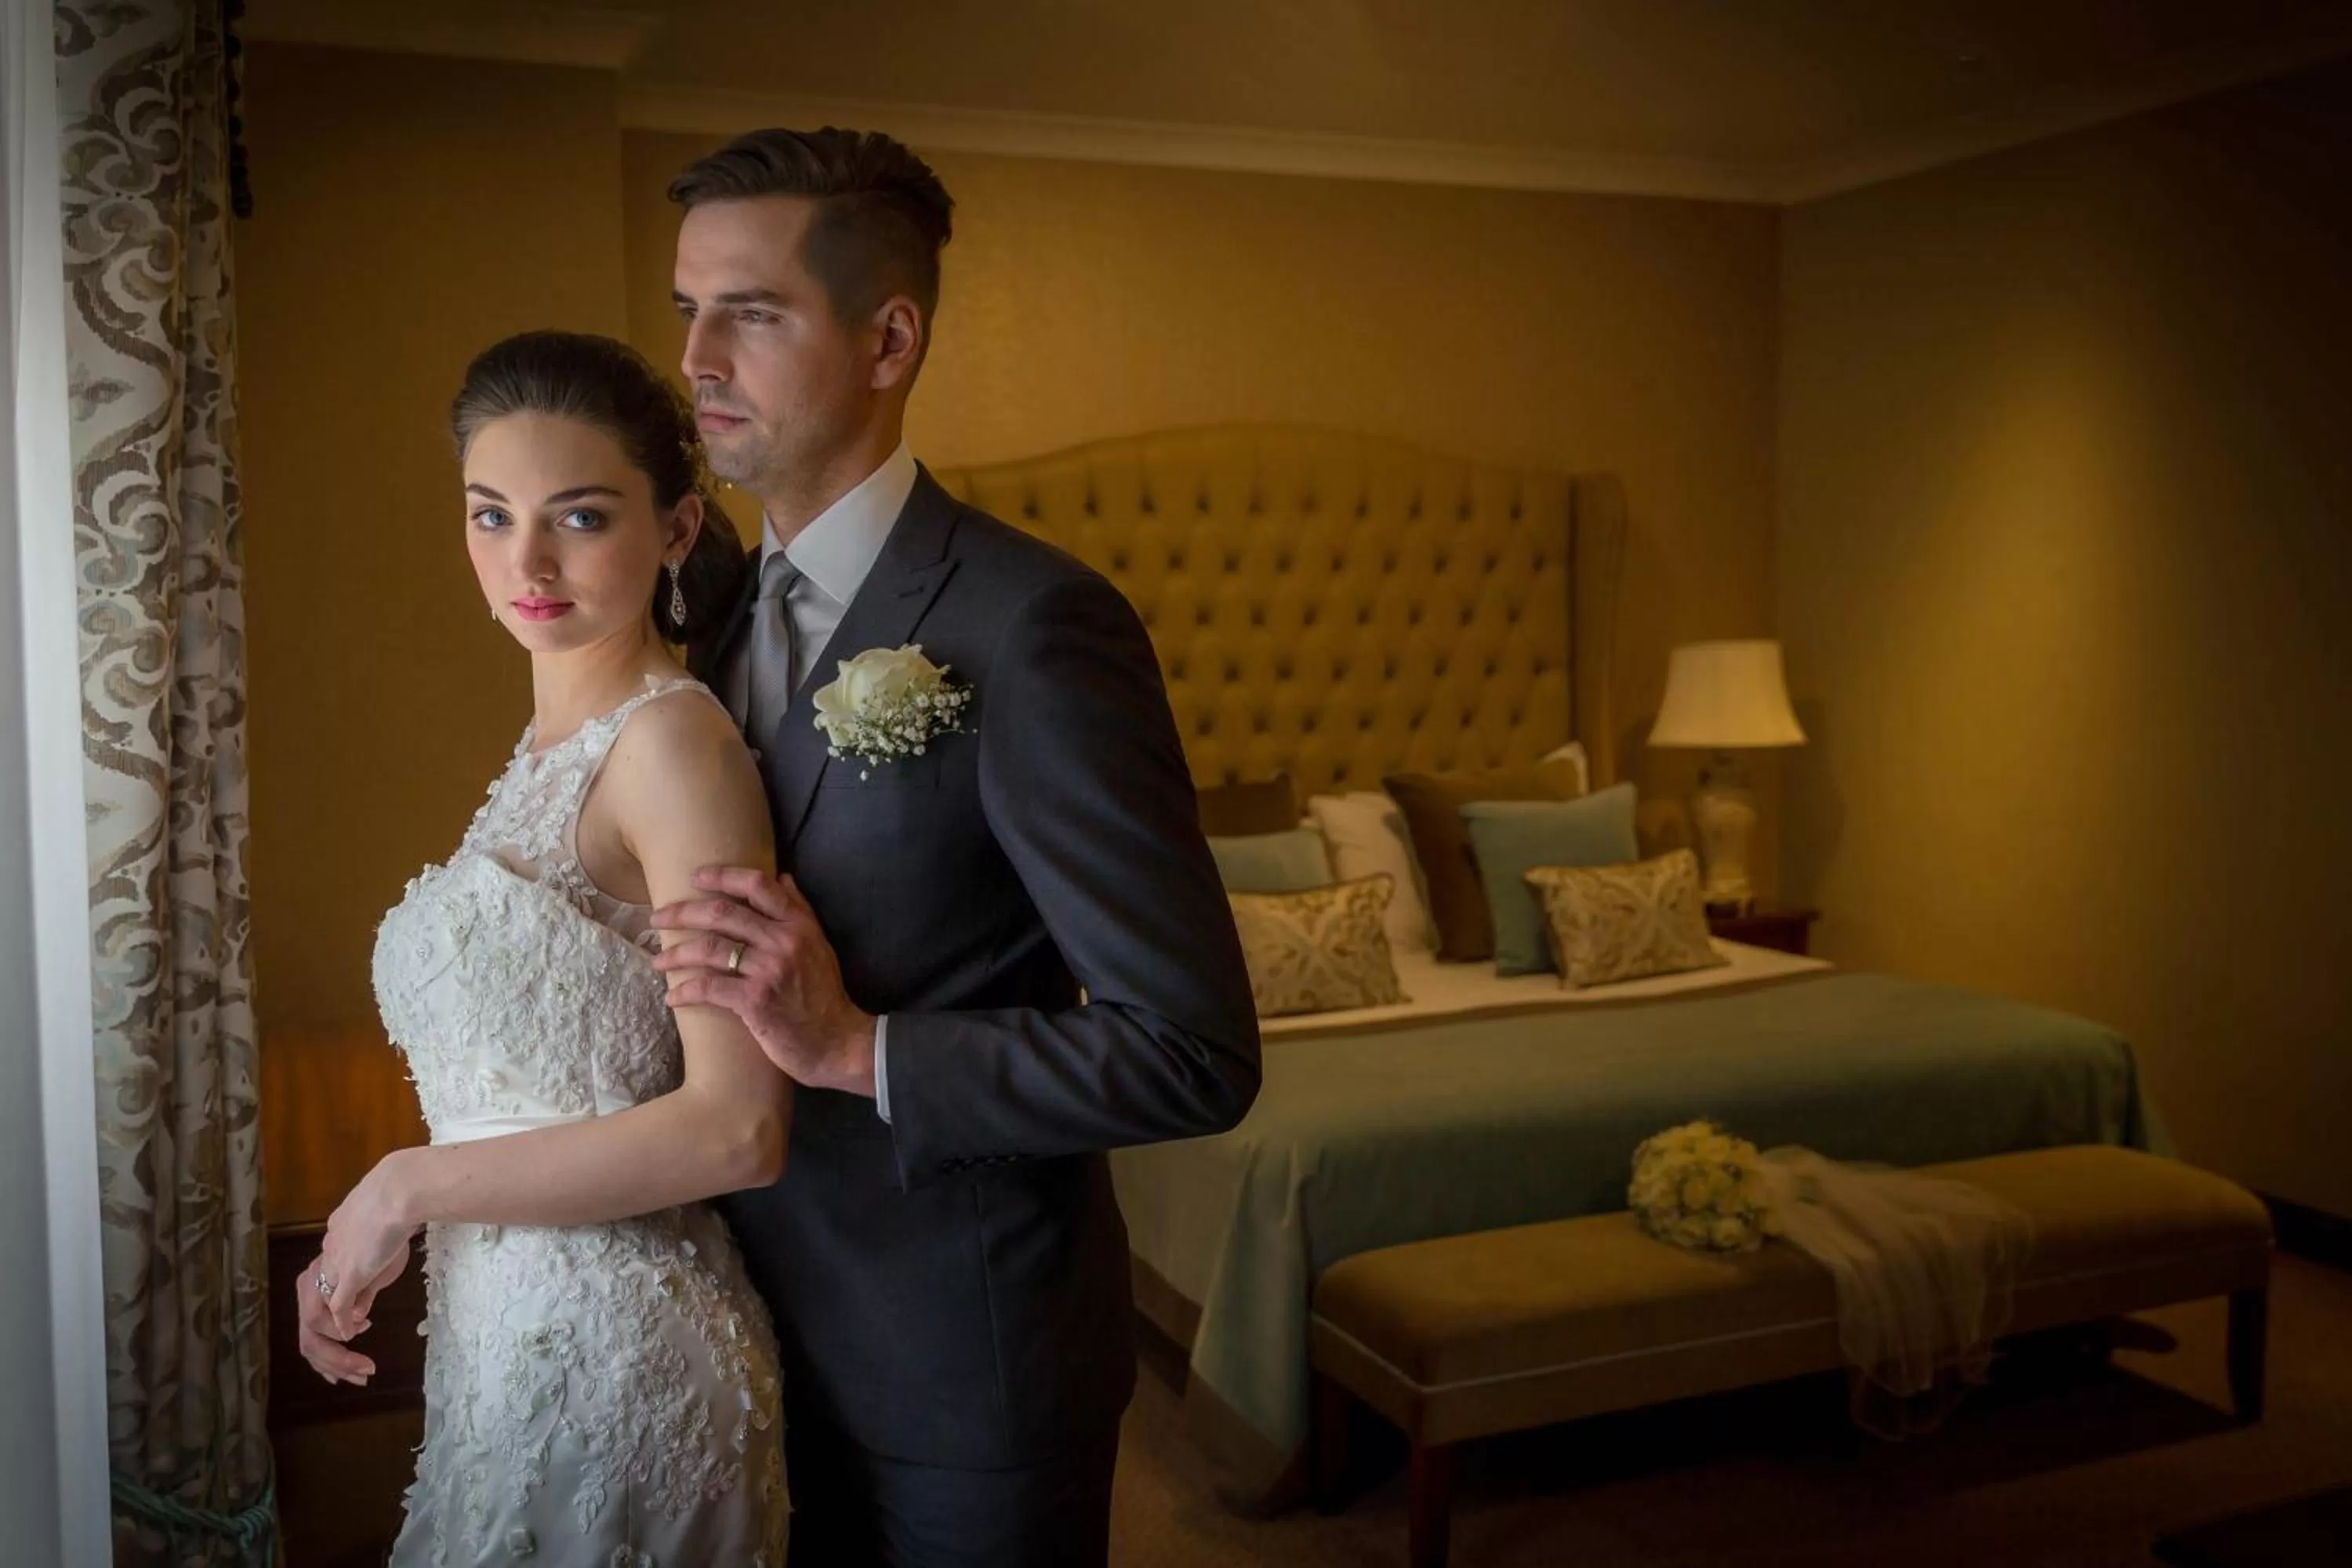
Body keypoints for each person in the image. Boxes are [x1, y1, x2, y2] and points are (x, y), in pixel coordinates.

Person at [652, 127, 1261, 1566]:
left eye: (749, 311)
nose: (695, 359)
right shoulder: (714, 609)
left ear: (889, 339)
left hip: (962, 1372)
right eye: (687, 309)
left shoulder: (1034, 626)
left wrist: (860, 1046)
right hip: (735, 1345)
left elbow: (1193, 1051)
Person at [296, 330, 792, 1565]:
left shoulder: (674, 750)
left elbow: (740, 1126)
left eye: (577, 517)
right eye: (489, 514)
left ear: (676, 530)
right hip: (503, 1343)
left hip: (626, 1367)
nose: (524, 561)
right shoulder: (541, 761)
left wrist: (402, 1188)